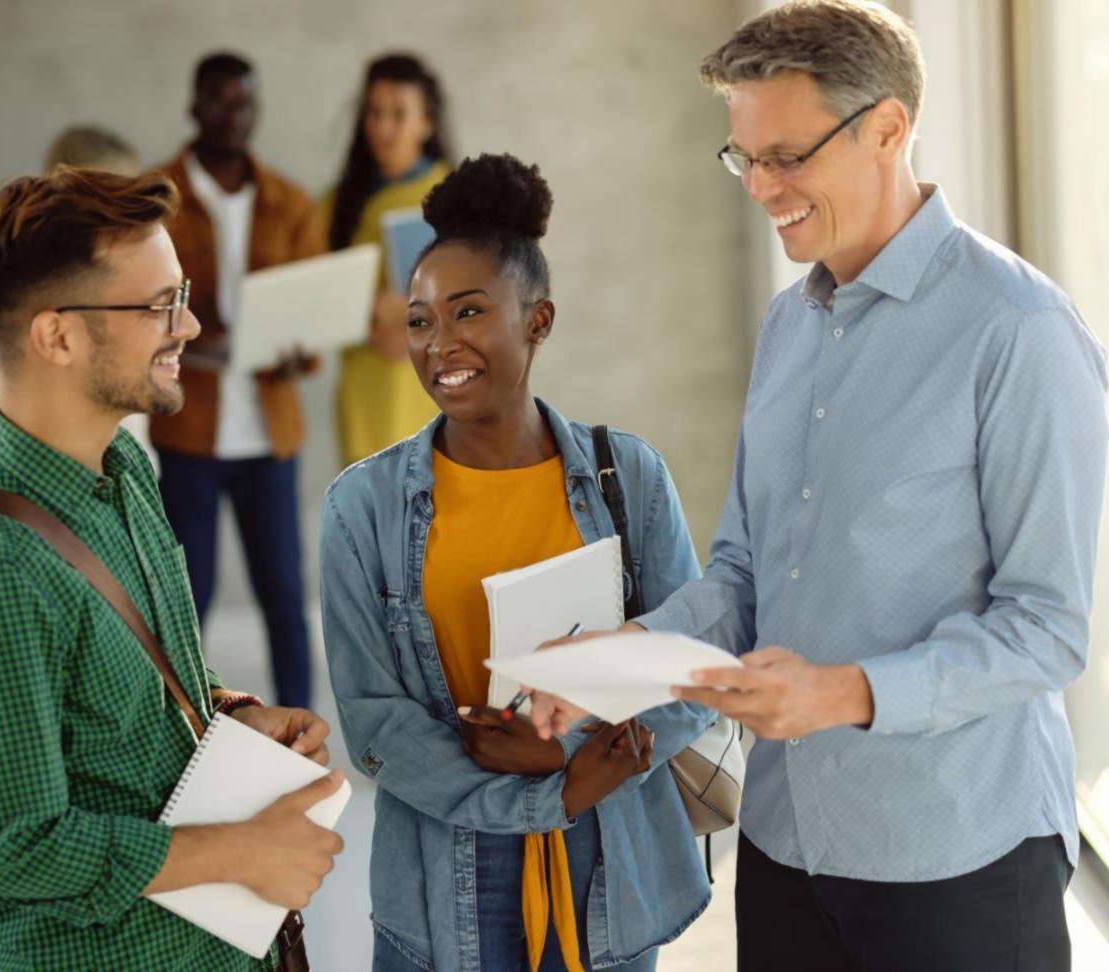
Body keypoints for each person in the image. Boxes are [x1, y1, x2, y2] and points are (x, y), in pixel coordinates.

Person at [532, 3, 1109, 970]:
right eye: (745, 158)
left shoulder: (1018, 332)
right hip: (788, 841)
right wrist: (619, 659)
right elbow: (745, 576)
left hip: (959, 856)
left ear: (888, 129)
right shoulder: (787, 327)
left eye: (788, 156)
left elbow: (1047, 628)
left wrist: (845, 694)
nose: (761, 188)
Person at [0, 165, 345, 970]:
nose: (191, 324)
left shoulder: (124, 471)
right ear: (58, 336)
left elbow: (138, 680)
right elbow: (18, 850)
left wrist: (231, 713)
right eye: (160, 305)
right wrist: (242, 853)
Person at [320, 154, 713, 972]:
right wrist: (546, 794)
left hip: (607, 869)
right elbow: (376, 726)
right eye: (420, 320)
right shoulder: (362, 507)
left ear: (538, 321)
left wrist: (566, 757)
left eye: (468, 312)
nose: (440, 345)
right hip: (439, 881)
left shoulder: (627, 479)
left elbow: (692, 671)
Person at [152, 51, 325, 708]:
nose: (232, 116)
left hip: (268, 436)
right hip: (189, 430)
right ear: (195, 107)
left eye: (244, 103)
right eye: (219, 102)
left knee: (285, 596)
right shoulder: (159, 194)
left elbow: (314, 317)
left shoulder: (289, 201)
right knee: (185, 603)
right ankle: (186, 735)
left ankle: (301, 738)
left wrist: (293, 350)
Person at [0, 124, 145, 489]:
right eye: (122, 191)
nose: (134, 210)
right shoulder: (63, 275)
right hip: (80, 473)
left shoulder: (95, 263)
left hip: (116, 466)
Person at [323, 52, 453, 466]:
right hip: (364, 402)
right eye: (375, 113)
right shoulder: (337, 203)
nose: (383, 128)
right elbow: (310, 289)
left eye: (398, 114)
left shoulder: (457, 198)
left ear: (427, 122)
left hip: (431, 407)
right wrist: (368, 309)